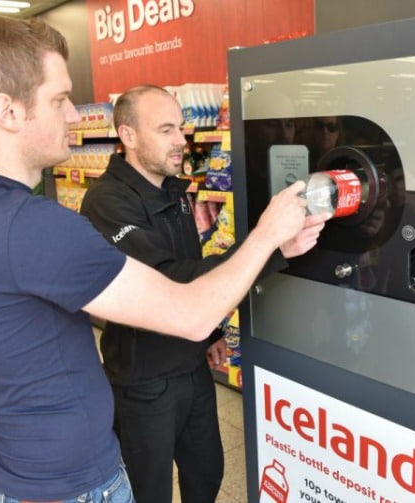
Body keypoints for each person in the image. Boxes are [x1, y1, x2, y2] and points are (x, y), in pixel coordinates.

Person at [0, 15, 327, 503]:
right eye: (59, 98)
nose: (72, 115)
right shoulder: (36, 225)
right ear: (7, 110)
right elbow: (190, 314)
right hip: (70, 486)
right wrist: (266, 236)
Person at [80, 85, 324, 503]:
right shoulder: (106, 203)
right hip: (144, 381)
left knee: (207, 472)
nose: (181, 140)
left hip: (192, 366)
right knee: (148, 491)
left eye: (182, 127)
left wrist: (211, 333)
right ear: (129, 135)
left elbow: (193, 265)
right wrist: (267, 244)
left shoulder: (173, 189)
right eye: (166, 129)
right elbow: (173, 280)